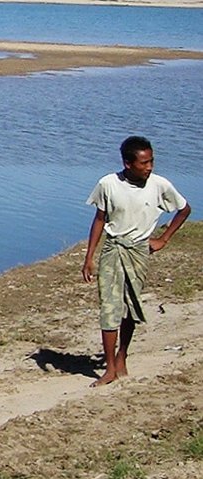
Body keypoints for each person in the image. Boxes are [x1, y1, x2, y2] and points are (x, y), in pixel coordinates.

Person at [82, 135, 191, 387]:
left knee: (130, 308)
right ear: (128, 163)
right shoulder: (108, 184)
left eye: (151, 161)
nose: (149, 167)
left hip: (139, 251)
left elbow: (184, 209)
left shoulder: (159, 185)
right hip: (113, 249)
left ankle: (122, 356)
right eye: (144, 163)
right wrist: (89, 257)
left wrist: (163, 239)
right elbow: (100, 219)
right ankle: (109, 368)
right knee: (109, 308)